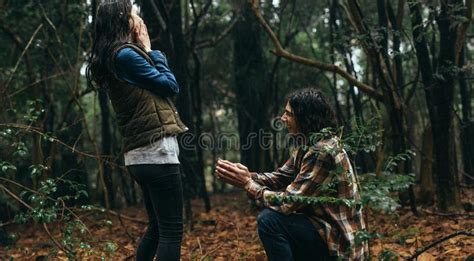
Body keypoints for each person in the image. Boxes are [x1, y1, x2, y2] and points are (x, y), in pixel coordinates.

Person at [215, 88, 368, 260]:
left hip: (340, 244)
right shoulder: (306, 143)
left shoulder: (322, 150)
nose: (282, 118)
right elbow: (281, 176)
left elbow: (288, 202)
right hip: (323, 231)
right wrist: (248, 175)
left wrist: (247, 184)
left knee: (269, 220)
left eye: (289, 114)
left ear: (305, 118)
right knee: (276, 220)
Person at [86, 1, 187, 260]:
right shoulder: (126, 55)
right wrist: (150, 49)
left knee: (157, 228)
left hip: (140, 155)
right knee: (171, 231)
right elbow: (169, 85)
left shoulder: (112, 56)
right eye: (134, 14)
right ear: (123, 20)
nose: (139, 19)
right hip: (156, 151)